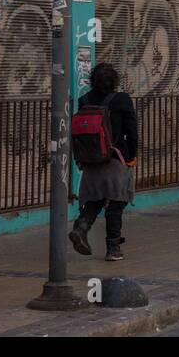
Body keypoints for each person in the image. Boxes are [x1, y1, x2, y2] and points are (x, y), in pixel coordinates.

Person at [69, 62, 138, 262]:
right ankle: (113, 248)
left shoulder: (85, 100)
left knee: (96, 199)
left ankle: (81, 227)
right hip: (115, 158)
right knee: (116, 202)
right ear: (114, 81)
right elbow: (131, 131)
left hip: (91, 160)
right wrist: (132, 155)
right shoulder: (122, 100)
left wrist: (79, 158)